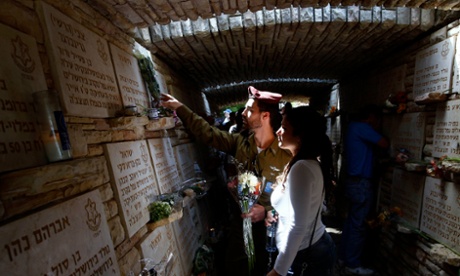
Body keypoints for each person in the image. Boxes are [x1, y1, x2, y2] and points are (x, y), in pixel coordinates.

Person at [160, 86, 292, 275]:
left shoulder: (286, 153)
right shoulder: (239, 142)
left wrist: (267, 211)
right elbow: (208, 134)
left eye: (250, 110)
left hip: (271, 232)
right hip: (241, 226)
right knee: (234, 267)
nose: (244, 114)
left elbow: (298, 200)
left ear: (265, 116)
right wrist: (180, 107)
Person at [266, 105, 336, 276]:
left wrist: (278, 270)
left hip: (307, 253)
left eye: (285, 128)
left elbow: (299, 226)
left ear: (300, 135)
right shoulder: (304, 163)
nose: (278, 132)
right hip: (309, 248)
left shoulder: (301, 168)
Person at [339, 105, 389, 275]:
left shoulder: (352, 127)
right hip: (361, 183)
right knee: (358, 225)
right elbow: (383, 143)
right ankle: (352, 264)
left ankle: (343, 257)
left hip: (352, 182)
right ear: (370, 117)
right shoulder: (362, 127)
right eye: (376, 119)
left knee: (351, 222)